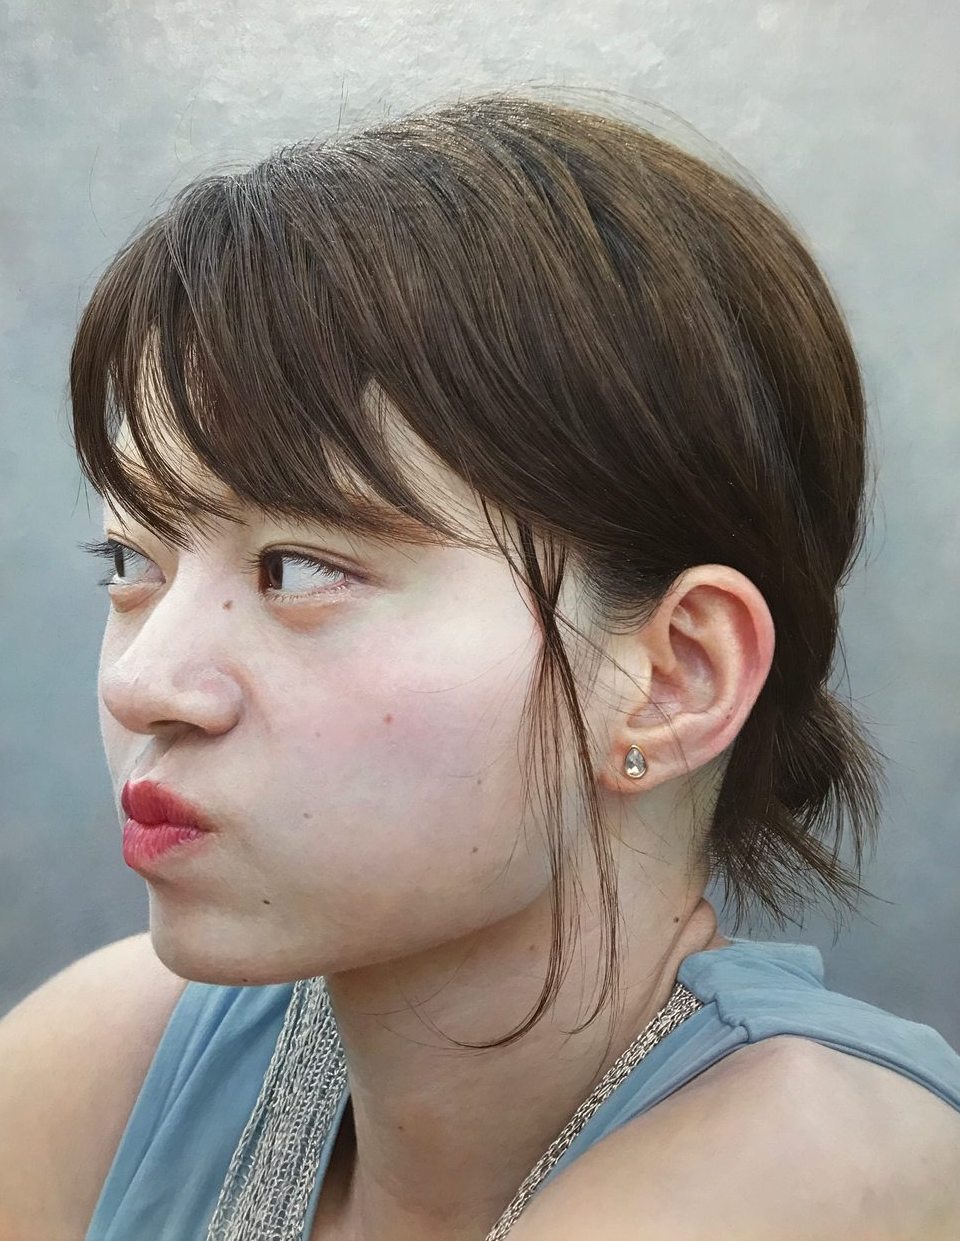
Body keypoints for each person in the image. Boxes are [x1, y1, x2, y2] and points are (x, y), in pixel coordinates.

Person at [1, 91, 958, 1241]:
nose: (141, 681)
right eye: (131, 560)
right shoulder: (113, 1059)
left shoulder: (820, 1164)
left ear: (673, 677)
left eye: (298, 568)